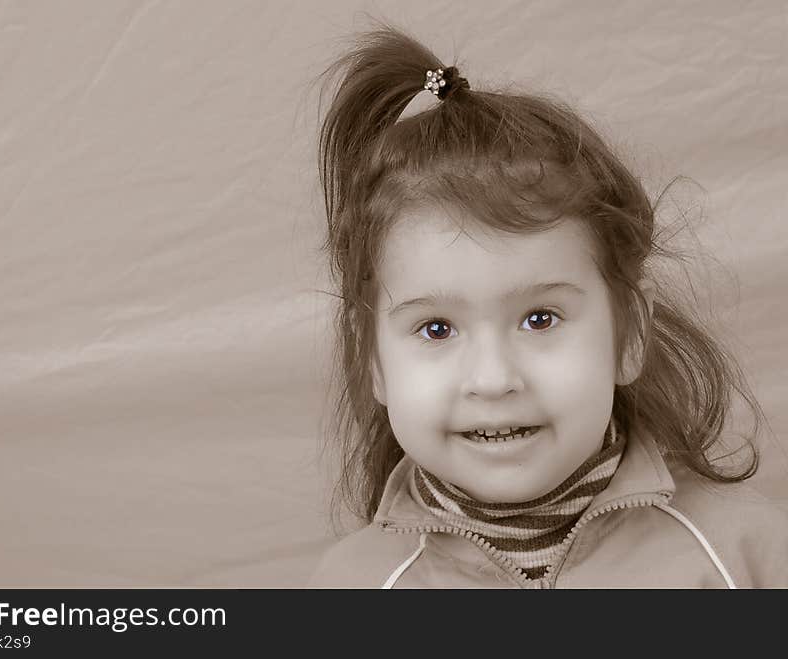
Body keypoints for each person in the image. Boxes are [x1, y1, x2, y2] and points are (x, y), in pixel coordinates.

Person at [306, 22, 788, 588]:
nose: (492, 379)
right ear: (374, 365)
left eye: (540, 319)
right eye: (436, 328)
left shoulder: (744, 556)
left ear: (630, 334)